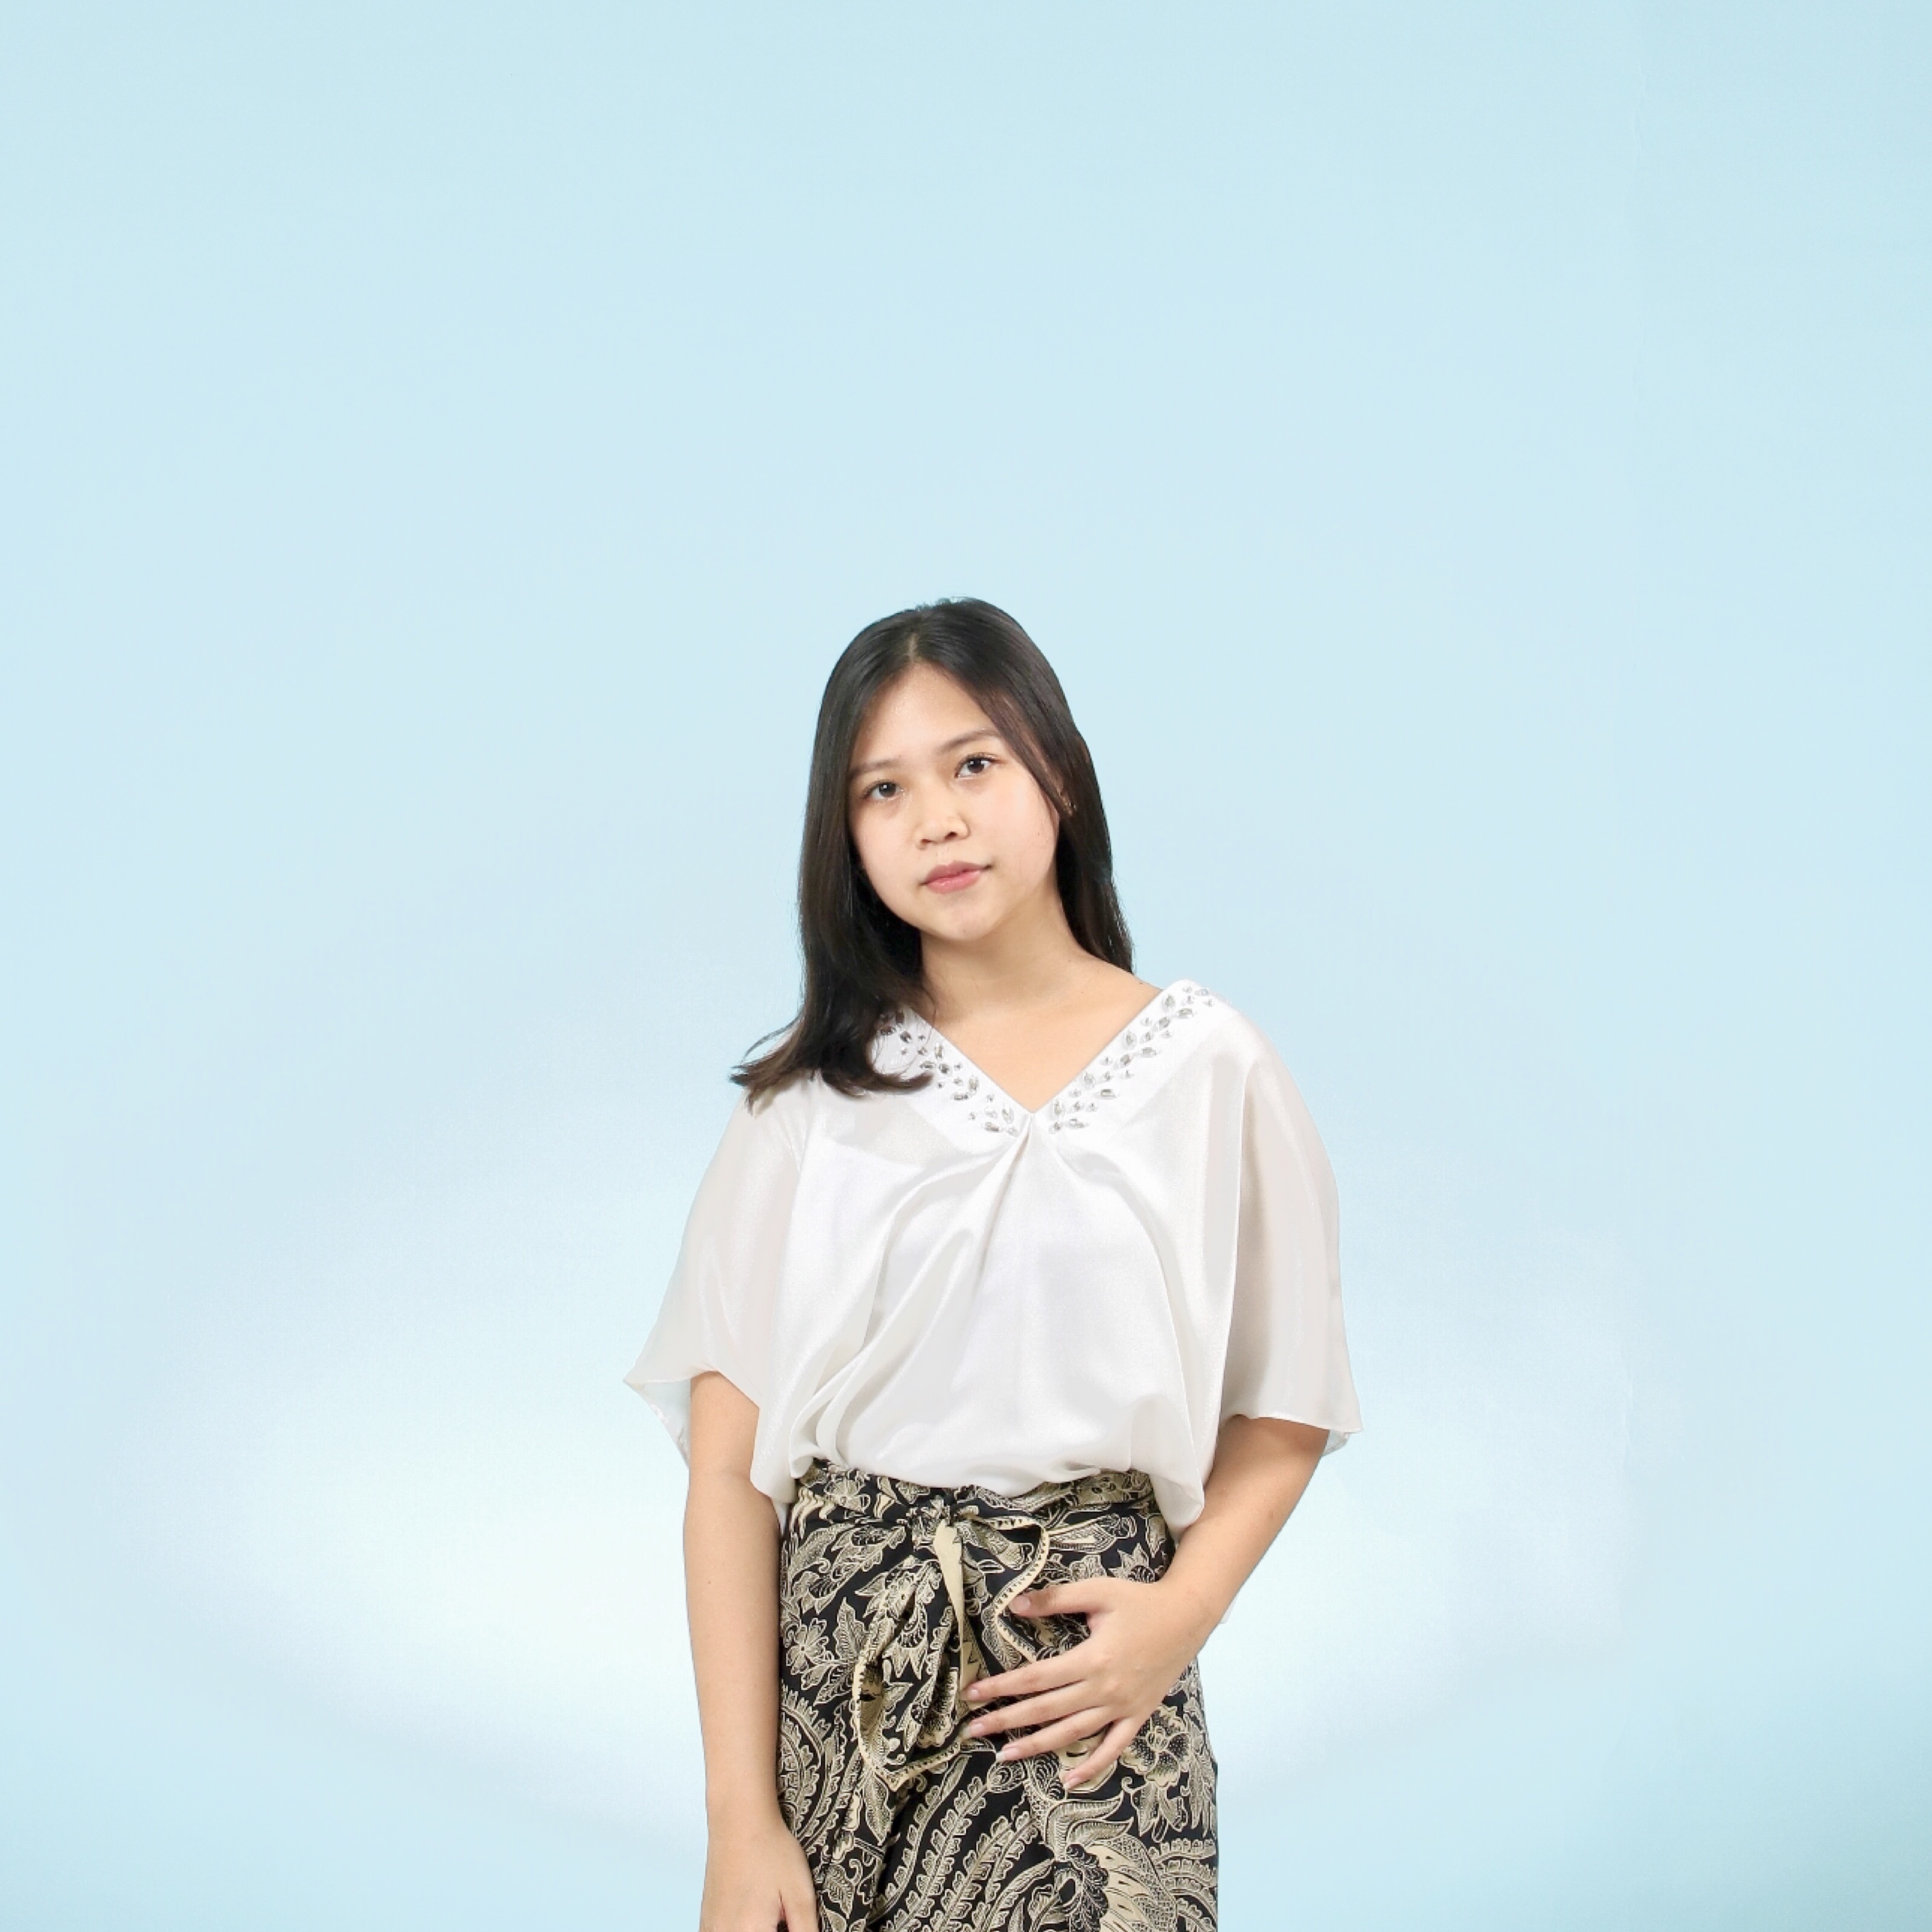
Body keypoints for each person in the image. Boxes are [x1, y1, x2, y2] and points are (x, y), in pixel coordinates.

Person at [627, 598, 1361, 1932]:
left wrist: (1181, 1615)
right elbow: (728, 1478)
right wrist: (741, 1817)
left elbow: (1286, 1405)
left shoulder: (1208, 1067)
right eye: (883, 789)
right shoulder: (807, 1106)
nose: (938, 820)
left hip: (1093, 1697)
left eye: (975, 764)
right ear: (844, 836)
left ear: (1058, 776)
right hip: (844, 1710)